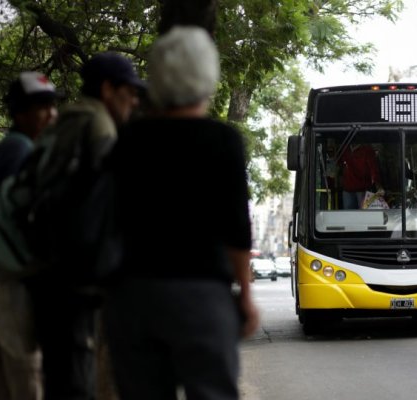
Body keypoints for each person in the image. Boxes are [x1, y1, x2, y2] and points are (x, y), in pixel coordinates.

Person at [103, 26, 259, 400]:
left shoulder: (127, 140)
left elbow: (111, 218)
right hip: (202, 297)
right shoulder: (223, 141)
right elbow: (237, 230)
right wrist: (245, 295)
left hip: (133, 296)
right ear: (209, 75)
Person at [24, 52, 143, 400]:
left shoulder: (69, 121)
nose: (134, 100)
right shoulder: (98, 127)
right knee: (76, 381)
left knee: (61, 375)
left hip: (51, 269)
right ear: (107, 89)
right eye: (129, 91)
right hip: (76, 275)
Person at [0, 71, 59, 400]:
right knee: (27, 376)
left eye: (52, 105)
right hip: (13, 285)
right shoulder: (21, 152)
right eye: (41, 107)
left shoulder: (8, 149)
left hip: (0, 279)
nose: (51, 114)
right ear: (20, 113)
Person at [339, 142, 383, 209]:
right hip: (347, 189)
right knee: (348, 214)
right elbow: (340, 165)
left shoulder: (367, 150)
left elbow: (373, 169)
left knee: (363, 214)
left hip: (362, 189)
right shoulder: (344, 148)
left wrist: (378, 186)